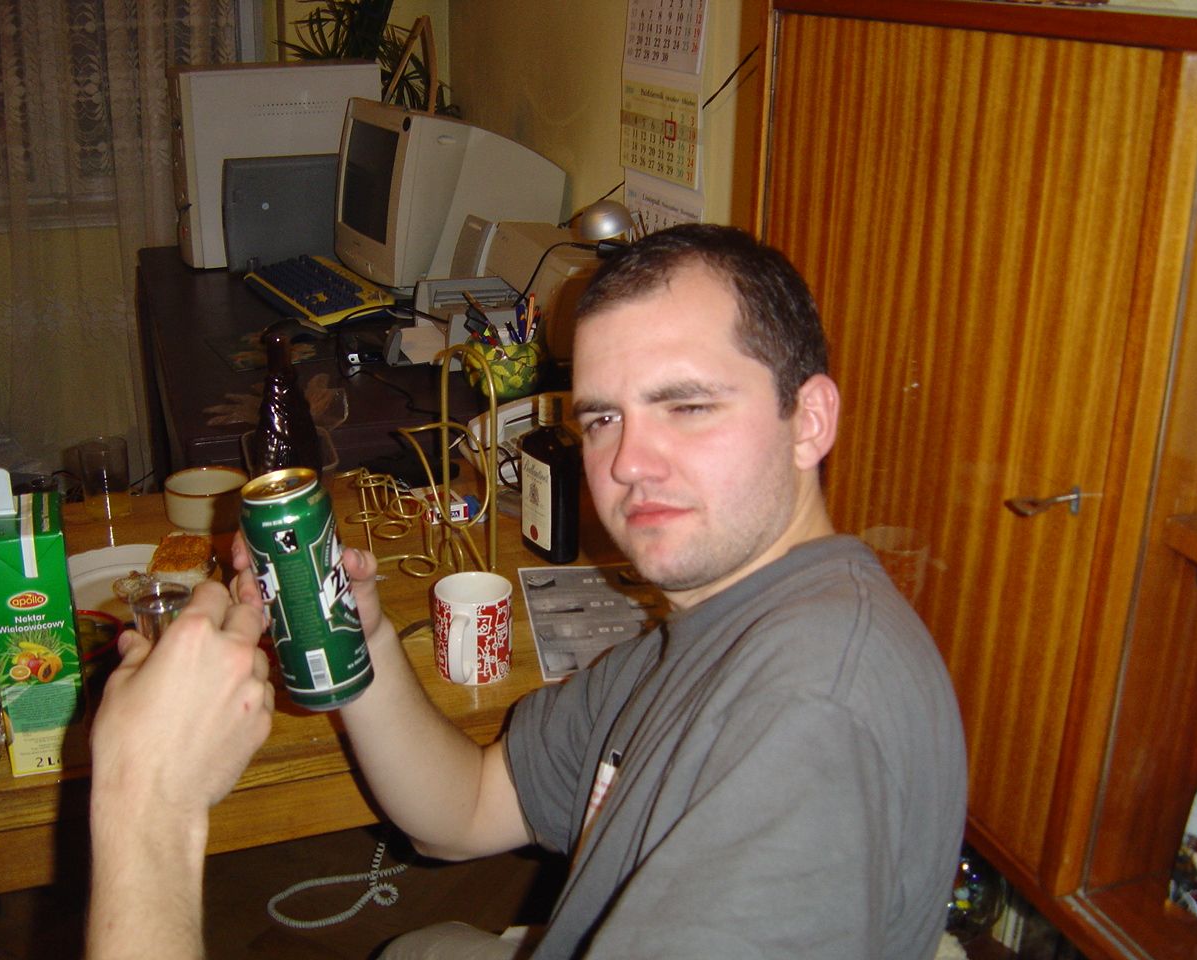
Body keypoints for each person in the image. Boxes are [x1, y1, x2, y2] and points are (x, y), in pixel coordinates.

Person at [86, 224, 967, 960]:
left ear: (809, 419)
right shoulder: (715, 622)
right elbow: (465, 810)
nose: (628, 462)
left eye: (687, 406)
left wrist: (146, 805)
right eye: (603, 417)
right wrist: (360, 637)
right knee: (418, 949)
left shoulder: (807, 720)